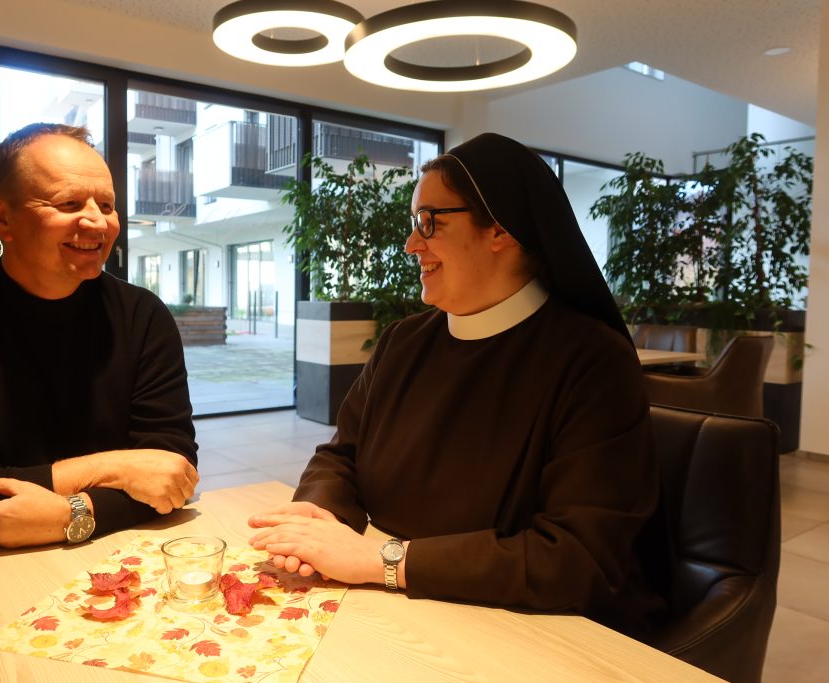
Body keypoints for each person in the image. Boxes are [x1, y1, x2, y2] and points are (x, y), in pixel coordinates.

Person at [248, 132, 664, 636]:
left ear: (501, 230)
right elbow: (342, 456)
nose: (411, 244)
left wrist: (381, 559)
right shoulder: (404, 341)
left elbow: (576, 559)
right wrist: (318, 519)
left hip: (518, 629)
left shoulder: (592, 361)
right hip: (396, 610)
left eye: (430, 221)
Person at [0, 123, 199, 549]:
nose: (96, 221)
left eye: (106, 205)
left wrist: (69, 516)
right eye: (69, 202)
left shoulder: (143, 316)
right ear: (2, 217)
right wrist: (120, 468)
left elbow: (171, 474)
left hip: (116, 553)